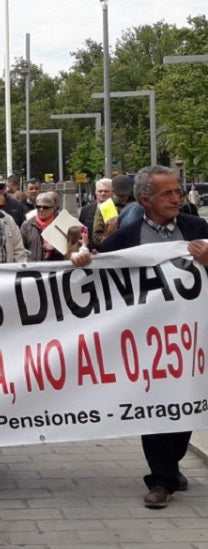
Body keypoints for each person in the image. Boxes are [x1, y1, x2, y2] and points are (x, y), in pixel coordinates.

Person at [86, 165, 208, 509]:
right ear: (145, 199)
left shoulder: (197, 229)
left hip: (190, 338)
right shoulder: (126, 238)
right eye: (168, 193)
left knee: (185, 405)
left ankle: (171, 464)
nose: (177, 198)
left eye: (178, 191)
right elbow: (98, 273)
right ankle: (160, 479)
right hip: (145, 342)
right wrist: (82, 260)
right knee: (155, 406)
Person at [92, 174, 135, 249]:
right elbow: (97, 238)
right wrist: (110, 234)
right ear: (113, 191)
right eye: (120, 195)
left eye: (125, 195)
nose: (123, 198)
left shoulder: (138, 205)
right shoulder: (104, 207)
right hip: (115, 250)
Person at [20, 192, 64, 262]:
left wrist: (55, 248)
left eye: (45, 207)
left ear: (53, 208)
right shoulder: (27, 225)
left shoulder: (61, 224)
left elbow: (70, 247)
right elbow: (20, 248)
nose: (41, 209)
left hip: (56, 266)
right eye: (38, 207)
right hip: (33, 267)